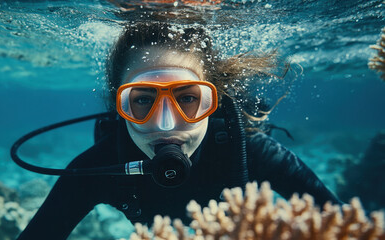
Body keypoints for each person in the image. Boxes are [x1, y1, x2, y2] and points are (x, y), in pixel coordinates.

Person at [17, 22, 342, 239]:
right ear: (119, 106)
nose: (165, 124)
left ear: (212, 101)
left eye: (187, 98)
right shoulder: (96, 168)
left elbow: (342, 225)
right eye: (143, 100)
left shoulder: (249, 151)